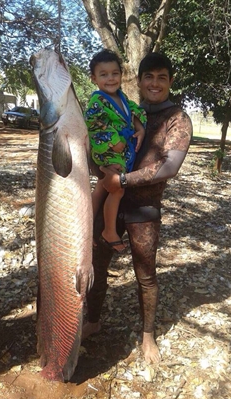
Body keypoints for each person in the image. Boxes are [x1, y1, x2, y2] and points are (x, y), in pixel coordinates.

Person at [83, 52, 193, 364]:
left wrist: (123, 181)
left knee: (145, 275)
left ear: (170, 82)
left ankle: (147, 336)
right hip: (110, 202)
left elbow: (169, 166)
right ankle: (93, 320)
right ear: (140, 80)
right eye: (149, 77)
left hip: (143, 207)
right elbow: (96, 147)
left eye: (161, 77)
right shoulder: (122, 109)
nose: (154, 83)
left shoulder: (178, 118)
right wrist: (104, 171)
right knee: (97, 266)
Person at [85, 49, 147, 253]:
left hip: (122, 151)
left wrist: (140, 128)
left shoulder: (122, 98)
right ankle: (109, 231)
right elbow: (93, 124)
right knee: (117, 189)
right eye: (104, 74)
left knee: (103, 188)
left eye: (114, 73)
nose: (110, 78)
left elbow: (136, 111)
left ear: (121, 74)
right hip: (109, 151)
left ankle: (86, 227)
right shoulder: (97, 101)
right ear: (94, 78)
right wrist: (112, 141)